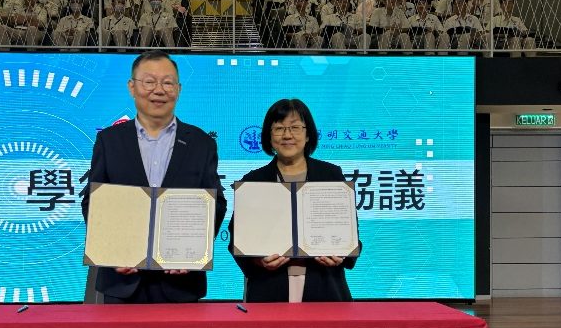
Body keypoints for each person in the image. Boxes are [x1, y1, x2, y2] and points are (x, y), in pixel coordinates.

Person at [81, 52, 227, 304]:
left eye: (168, 83)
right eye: (149, 81)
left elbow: (215, 203)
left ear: (178, 89)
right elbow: (93, 202)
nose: (159, 90)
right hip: (122, 280)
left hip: (181, 282)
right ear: (132, 87)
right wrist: (112, 251)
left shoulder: (201, 142)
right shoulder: (109, 140)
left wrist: (193, 254)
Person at [228, 99, 359, 303]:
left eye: (296, 127)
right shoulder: (253, 181)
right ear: (269, 137)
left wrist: (341, 255)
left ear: (308, 135)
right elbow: (236, 238)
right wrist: (257, 261)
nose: (287, 135)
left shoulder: (331, 175)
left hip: (324, 287)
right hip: (269, 288)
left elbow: (351, 236)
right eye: (279, 128)